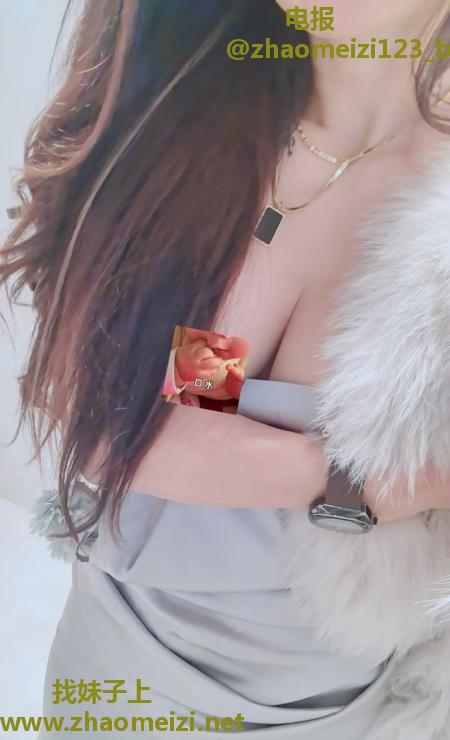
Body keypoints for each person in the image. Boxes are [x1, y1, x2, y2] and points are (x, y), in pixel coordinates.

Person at [1, 0, 450, 737]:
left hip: (334, 708)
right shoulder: (195, 119)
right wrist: (357, 485)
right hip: (119, 659)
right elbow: (120, 420)